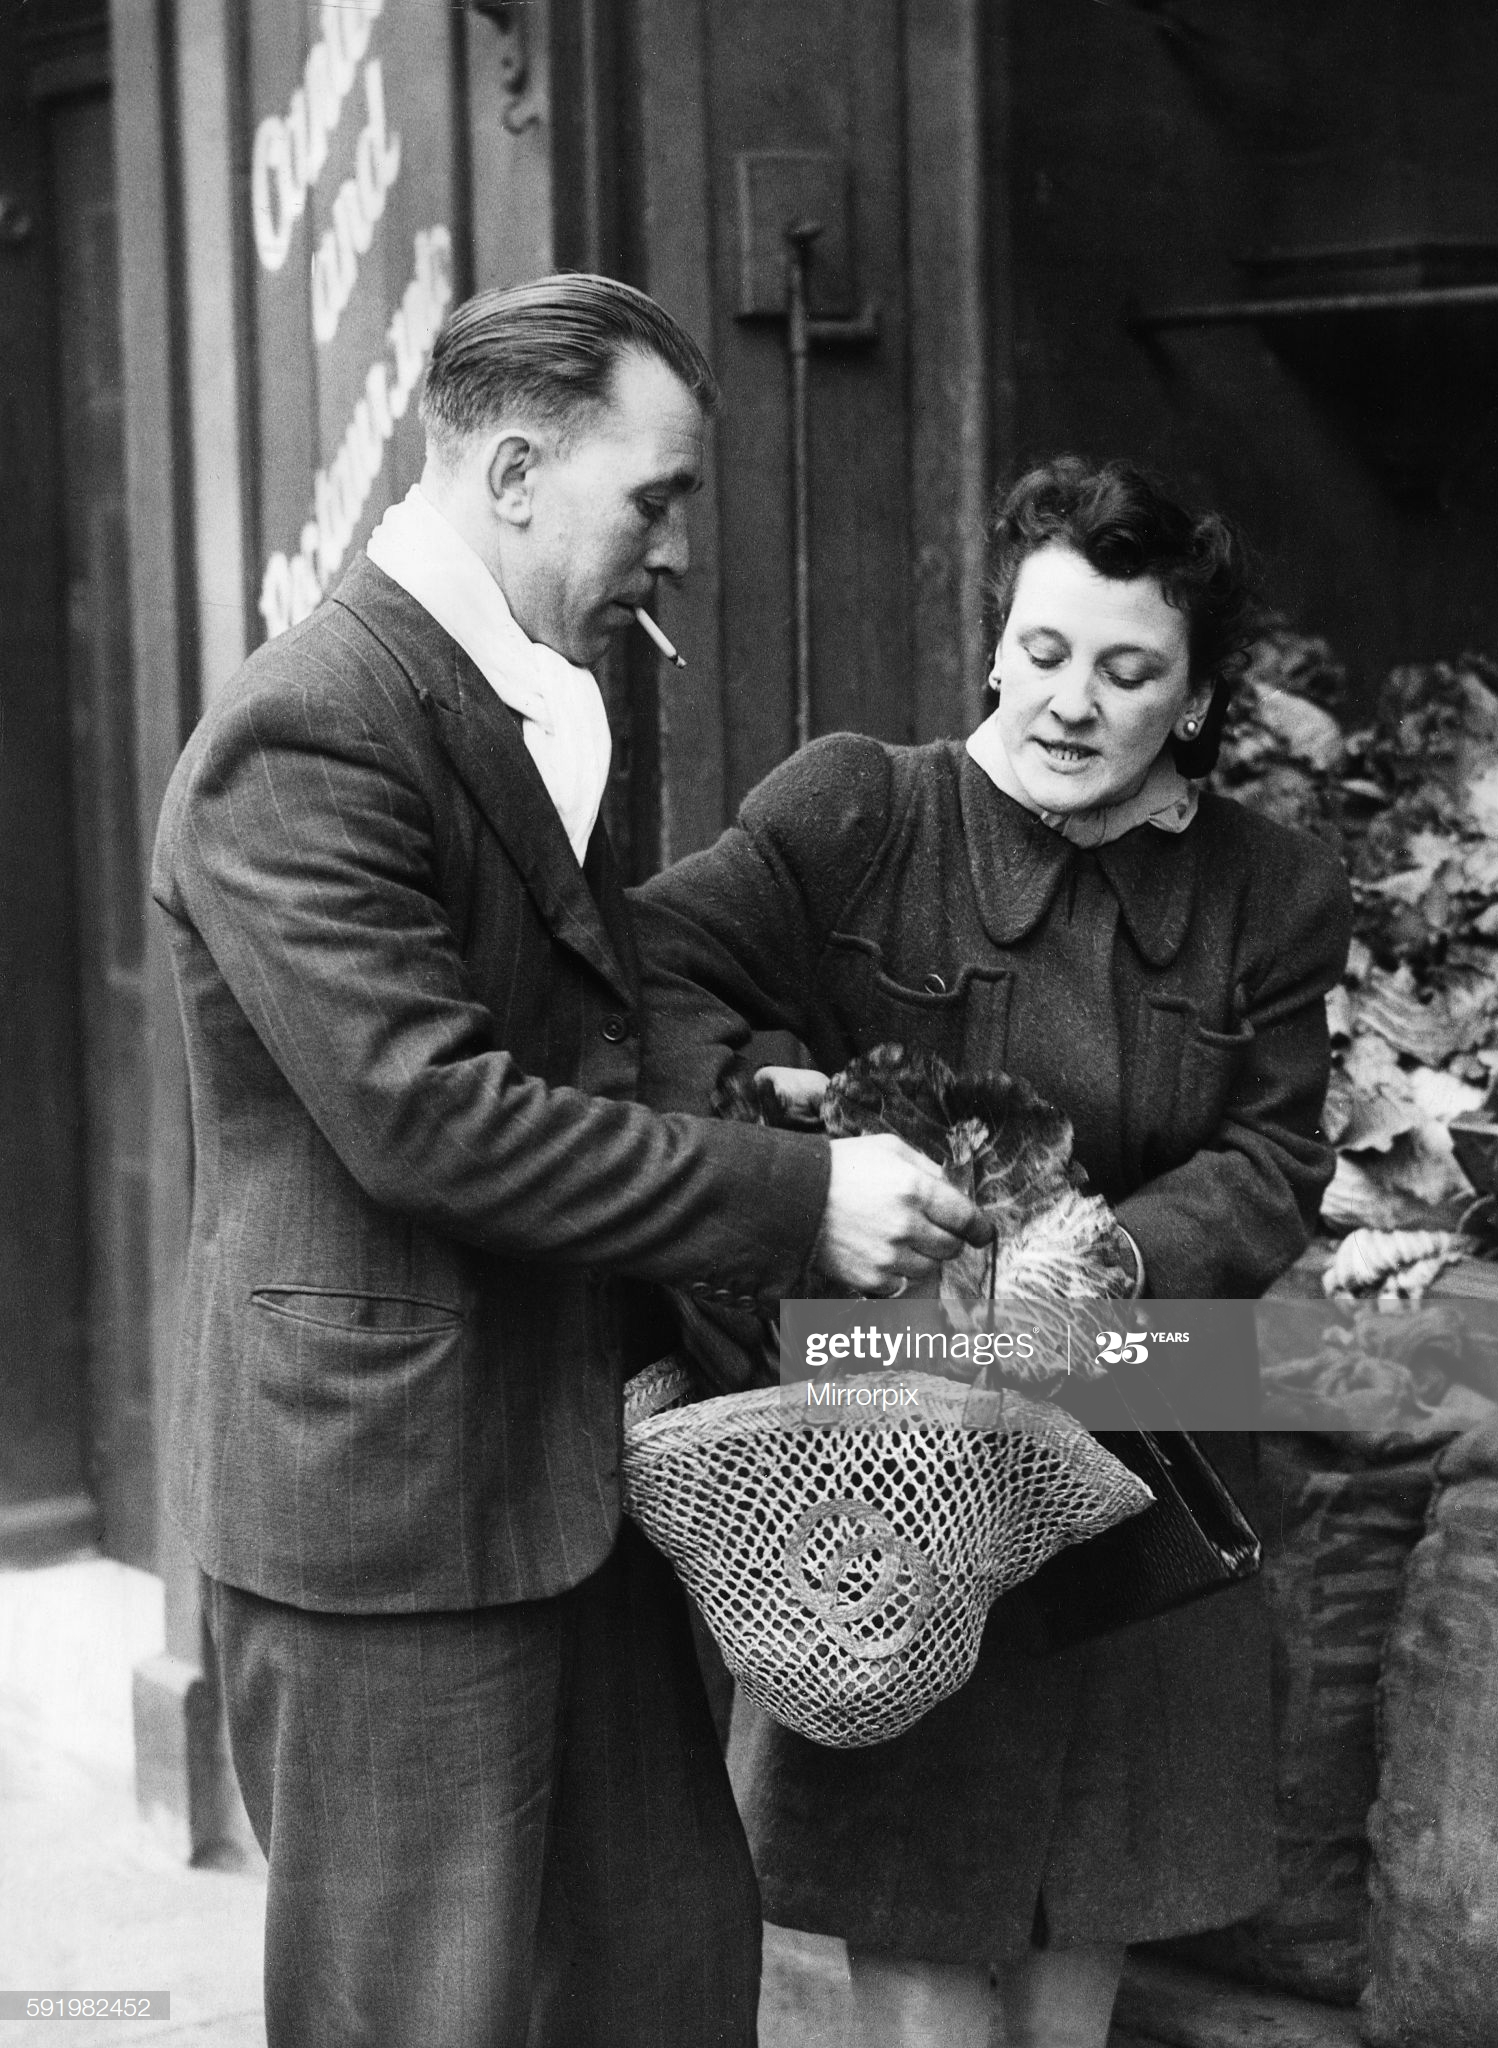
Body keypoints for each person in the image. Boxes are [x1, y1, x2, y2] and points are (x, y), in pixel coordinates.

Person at [150, 275, 989, 2048]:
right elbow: (431, 1117)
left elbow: (576, 1034)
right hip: (387, 1511)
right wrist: (800, 1203)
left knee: (665, 1978)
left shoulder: (518, 692)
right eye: (656, 498)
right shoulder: (309, 728)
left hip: (571, 1469)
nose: (675, 550)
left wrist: (761, 1110)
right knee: (417, 2013)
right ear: (519, 472)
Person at [634, 455, 1354, 2048]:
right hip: (897, 1465)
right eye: (1042, 649)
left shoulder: (1274, 889)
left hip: (1149, 1447)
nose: (1073, 702)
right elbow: (653, 972)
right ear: (995, 645)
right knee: (916, 1903)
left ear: (1196, 696)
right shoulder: (859, 812)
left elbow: (1276, 1160)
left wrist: (1104, 1260)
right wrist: (788, 1161)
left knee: (1082, 1919)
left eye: (1129, 671)